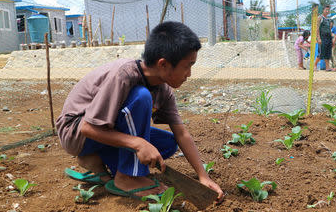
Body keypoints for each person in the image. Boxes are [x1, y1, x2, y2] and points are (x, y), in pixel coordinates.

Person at [56, 21, 224, 201]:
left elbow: (181, 133)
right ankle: (127, 178)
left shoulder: (163, 89)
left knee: (167, 143)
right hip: (75, 131)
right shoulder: (124, 75)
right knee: (142, 97)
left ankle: (94, 160)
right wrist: (138, 144)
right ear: (163, 64)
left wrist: (203, 176)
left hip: (100, 132)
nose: (189, 74)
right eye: (188, 65)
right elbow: (88, 128)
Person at [314, 5, 336, 71]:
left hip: (328, 38)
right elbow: (317, 28)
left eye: (328, 10)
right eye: (326, 10)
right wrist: (318, 38)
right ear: (323, 10)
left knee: (328, 53)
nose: (327, 11)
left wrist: (332, 39)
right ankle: (314, 65)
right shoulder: (320, 18)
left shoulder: (329, 20)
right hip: (322, 38)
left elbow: (329, 29)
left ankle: (327, 67)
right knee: (321, 53)